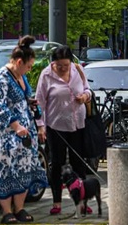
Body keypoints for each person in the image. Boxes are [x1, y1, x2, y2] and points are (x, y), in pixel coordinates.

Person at [35, 45, 93, 215]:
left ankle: (82, 201)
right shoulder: (46, 75)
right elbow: (39, 102)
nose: (62, 69)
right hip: (56, 125)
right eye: (59, 66)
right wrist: (41, 126)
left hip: (78, 123)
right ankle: (57, 202)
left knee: (79, 163)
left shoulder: (78, 70)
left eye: (65, 66)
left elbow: (88, 90)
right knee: (57, 163)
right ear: (53, 63)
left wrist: (84, 97)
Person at [0, 38, 48, 223]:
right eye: (29, 66)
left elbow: (25, 97)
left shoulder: (21, 77)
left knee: (24, 167)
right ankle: (7, 210)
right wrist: (15, 126)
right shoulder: (1, 77)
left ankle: (20, 208)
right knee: (7, 169)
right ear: (19, 62)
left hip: (26, 132)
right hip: (8, 133)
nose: (30, 70)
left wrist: (31, 105)